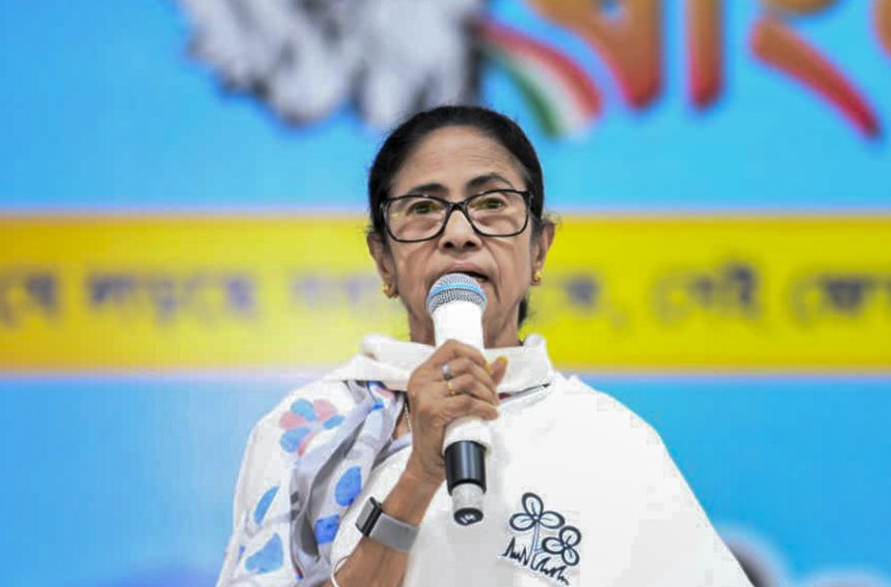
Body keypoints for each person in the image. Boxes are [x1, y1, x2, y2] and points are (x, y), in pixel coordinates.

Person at [216, 105, 752, 587]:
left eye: (491, 203)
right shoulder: (309, 434)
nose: (458, 233)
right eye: (423, 208)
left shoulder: (614, 445)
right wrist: (419, 475)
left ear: (539, 250)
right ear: (383, 260)